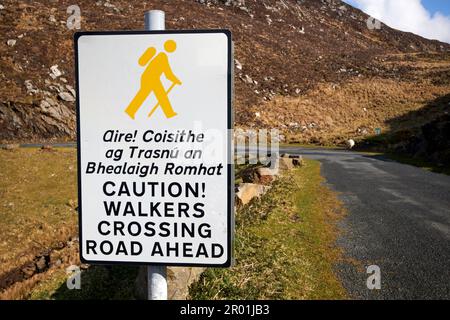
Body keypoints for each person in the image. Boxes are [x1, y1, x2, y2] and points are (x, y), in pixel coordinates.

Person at [125, 40, 182, 119]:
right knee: (159, 95)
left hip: (150, 77)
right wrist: (176, 80)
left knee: (153, 94)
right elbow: (168, 73)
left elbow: (167, 73)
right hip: (151, 78)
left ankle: (130, 111)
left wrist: (175, 80)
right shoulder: (162, 56)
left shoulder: (160, 55)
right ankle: (169, 113)